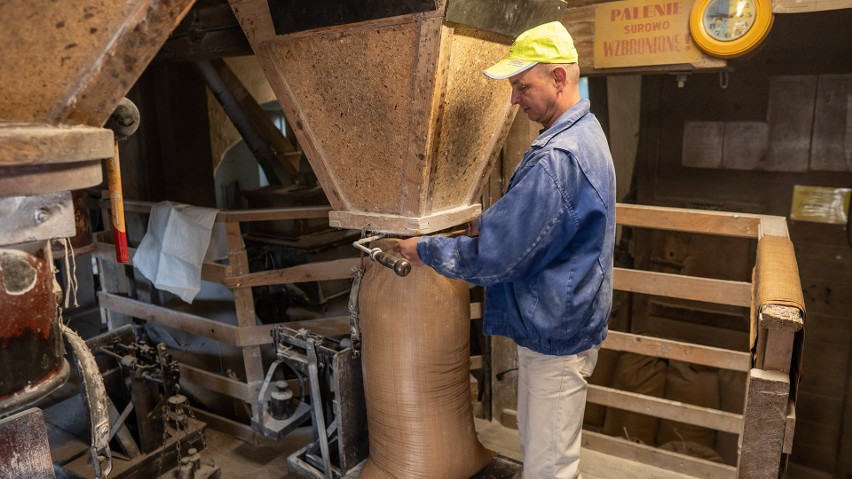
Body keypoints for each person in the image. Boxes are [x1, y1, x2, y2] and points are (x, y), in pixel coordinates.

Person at [394, 21, 616, 479]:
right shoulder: (583, 133)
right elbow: (550, 221)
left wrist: (427, 251)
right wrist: (491, 224)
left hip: (557, 332)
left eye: (521, 86)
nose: (515, 99)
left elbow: (500, 258)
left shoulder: (559, 157)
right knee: (543, 448)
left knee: (549, 466)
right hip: (563, 319)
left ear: (558, 77)